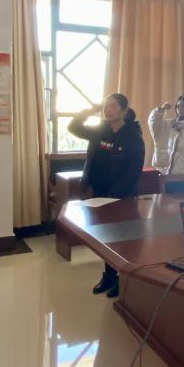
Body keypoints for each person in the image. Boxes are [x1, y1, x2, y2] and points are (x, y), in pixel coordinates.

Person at [69, 94, 145, 299]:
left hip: (121, 196)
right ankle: (109, 276)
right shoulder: (100, 130)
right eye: (105, 106)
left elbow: (134, 170)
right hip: (99, 192)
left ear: (123, 110)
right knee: (105, 239)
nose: (107, 110)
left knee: (122, 240)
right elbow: (73, 127)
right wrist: (89, 111)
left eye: (112, 106)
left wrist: (114, 195)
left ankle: (123, 278)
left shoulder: (133, 135)